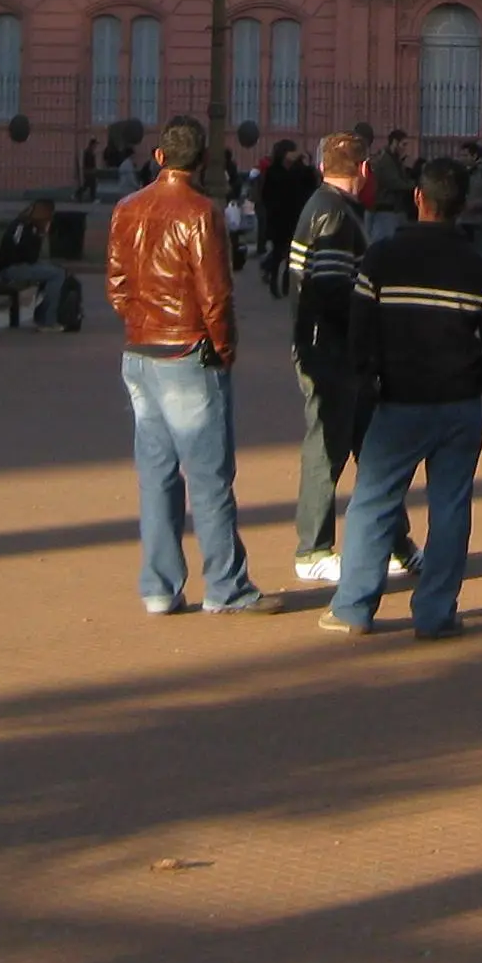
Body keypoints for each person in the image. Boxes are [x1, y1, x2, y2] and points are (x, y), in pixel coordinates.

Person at [322, 157, 482, 639]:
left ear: (418, 199)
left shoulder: (383, 258)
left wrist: (370, 377)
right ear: (464, 205)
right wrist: (480, 379)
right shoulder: (480, 268)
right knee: (450, 507)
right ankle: (434, 613)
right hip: (457, 402)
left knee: (373, 501)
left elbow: (360, 329)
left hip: (397, 399)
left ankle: (353, 607)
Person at [104, 117, 263, 616]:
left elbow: (116, 283)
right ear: (201, 162)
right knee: (210, 475)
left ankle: (159, 585)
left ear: (159, 157)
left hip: (141, 349)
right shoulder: (201, 212)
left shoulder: (128, 208)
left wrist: (137, 320)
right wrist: (223, 347)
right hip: (188, 349)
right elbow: (215, 293)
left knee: (156, 473)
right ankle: (225, 584)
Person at [286, 134, 411, 585]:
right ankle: (314, 549)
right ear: (361, 170)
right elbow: (336, 294)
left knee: (369, 446)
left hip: (325, 347)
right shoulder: (336, 216)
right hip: (333, 352)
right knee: (330, 447)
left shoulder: (322, 207)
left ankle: (396, 542)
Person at [0, 196, 76, 329]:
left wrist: (40, 234)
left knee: (57, 271)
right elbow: (22, 254)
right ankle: (48, 321)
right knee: (57, 275)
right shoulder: (21, 226)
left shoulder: (32, 226)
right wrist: (40, 235)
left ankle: (43, 316)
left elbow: (32, 256)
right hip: (11, 269)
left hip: (20, 265)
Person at [256, 138, 317, 298]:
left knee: (292, 253)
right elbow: (266, 194)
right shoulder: (273, 171)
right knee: (277, 253)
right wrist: (271, 209)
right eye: (291, 151)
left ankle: (286, 283)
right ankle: (274, 281)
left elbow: (312, 185)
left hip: (296, 216)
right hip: (278, 217)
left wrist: (308, 163)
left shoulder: (301, 170)